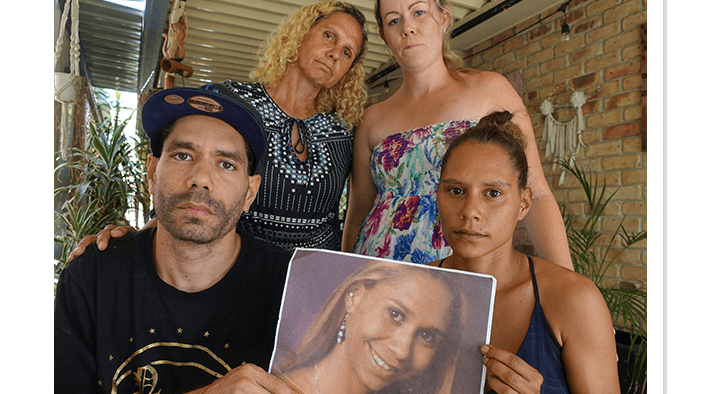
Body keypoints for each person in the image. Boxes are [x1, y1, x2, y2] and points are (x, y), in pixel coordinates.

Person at [66, 0, 368, 261]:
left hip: (308, 284)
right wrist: (137, 240)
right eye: (329, 36)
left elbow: (346, 218)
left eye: (346, 53)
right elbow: (184, 172)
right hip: (235, 274)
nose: (334, 54)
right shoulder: (230, 102)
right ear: (301, 34)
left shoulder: (344, 130)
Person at [54, 85, 299, 394]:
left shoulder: (291, 293)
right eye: (183, 155)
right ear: (152, 172)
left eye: (226, 163)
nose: (201, 178)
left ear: (250, 192)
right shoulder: (92, 278)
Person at [342, 0, 573, 269]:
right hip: (378, 271)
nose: (408, 28)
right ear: (384, 35)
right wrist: (347, 276)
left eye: (418, 12)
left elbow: (538, 193)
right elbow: (358, 214)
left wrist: (566, 283)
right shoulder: (371, 119)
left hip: (461, 270)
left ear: (444, 17)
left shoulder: (490, 91)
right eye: (394, 20)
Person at [430, 111, 619, 393]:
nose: (470, 211)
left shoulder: (574, 300)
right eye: (456, 191)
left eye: (493, 193)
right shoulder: (410, 288)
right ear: (438, 196)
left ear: (524, 202)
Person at [272, 260, 471, 394]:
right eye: (395, 314)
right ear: (355, 296)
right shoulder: (273, 389)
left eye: (427, 336)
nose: (402, 351)